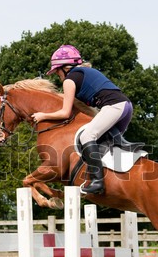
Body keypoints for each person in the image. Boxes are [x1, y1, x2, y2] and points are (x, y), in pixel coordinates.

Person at [31, 44, 135, 195]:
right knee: (105, 144)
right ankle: (116, 178)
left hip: (114, 107)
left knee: (87, 136)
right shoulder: (84, 72)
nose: (58, 76)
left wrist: (43, 115)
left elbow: (65, 113)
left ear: (64, 68)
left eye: (57, 72)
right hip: (126, 107)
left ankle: (98, 182)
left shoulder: (70, 80)